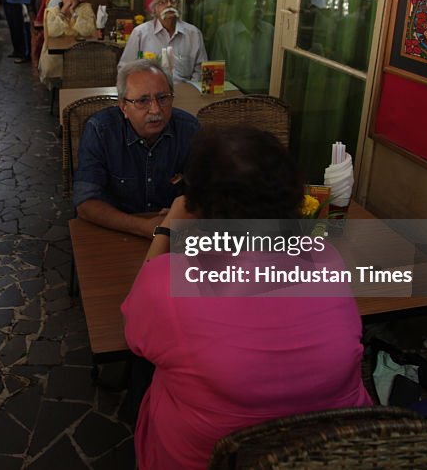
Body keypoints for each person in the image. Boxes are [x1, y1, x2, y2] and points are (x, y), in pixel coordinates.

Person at [122, 126, 372, 469]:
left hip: (212, 459)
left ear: (198, 207)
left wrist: (168, 227)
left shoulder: (170, 281)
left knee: (148, 372)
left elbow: (135, 332)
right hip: (334, 454)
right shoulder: (324, 254)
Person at [73, 59, 200, 238]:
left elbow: (210, 189)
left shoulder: (189, 129)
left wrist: (185, 210)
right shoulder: (101, 131)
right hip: (116, 232)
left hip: (173, 231)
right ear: (124, 107)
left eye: (163, 98)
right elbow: (85, 203)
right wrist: (145, 227)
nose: (155, 110)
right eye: (142, 101)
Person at [118, 0, 208, 84]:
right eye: (163, 2)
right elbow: (124, 69)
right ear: (155, 9)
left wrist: (189, 91)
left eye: (173, 1)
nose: (169, 5)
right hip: (149, 93)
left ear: (179, 6)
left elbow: (200, 69)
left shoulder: (193, 34)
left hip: (183, 93)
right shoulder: (140, 33)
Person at [38, 0, 96, 85]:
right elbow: (53, 32)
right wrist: (62, 13)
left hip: (81, 53)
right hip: (58, 56)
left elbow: (88, 31)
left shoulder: (85, 9)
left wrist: (74, 14)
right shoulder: (53, 11)